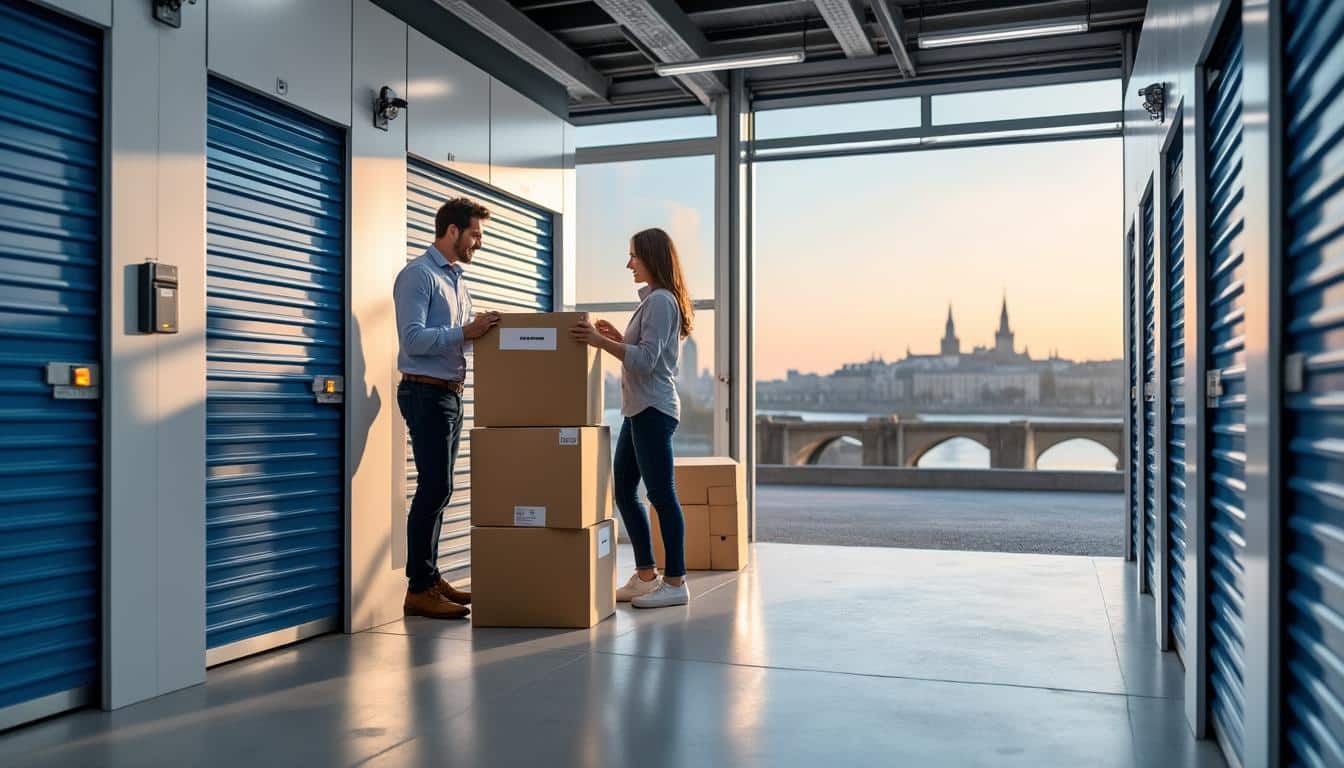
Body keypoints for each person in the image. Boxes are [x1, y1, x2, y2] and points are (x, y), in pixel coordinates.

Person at [570, 228, 695, 609]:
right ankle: (645, 577)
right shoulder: (655, 301)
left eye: (633, 257)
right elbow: (640, 353)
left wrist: (599, 341)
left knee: (660, 494)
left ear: (651, 258)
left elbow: (645, 361)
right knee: (623, 490)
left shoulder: (660, 302)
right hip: (640, 410)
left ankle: (675, 583)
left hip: (653, 411)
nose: (629, 264)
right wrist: (614, 337)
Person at [394, 197, 500, 619]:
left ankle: (430, 576)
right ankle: (418, 587)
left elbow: (462, 336)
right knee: (433, 487)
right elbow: (413, 340)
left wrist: (485, 330)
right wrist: (464, 331)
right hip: (425, 393)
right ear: (452, 231)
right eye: (475, 234)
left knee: (442, 488)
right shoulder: (418, 276)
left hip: (450, 393)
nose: (479, 243)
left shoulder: (457, 280)